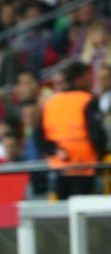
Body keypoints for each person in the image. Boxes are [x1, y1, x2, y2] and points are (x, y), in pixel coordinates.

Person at [37, 62, 107, 199]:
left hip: (60, 166)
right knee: (86, 212)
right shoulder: (87, 100)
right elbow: (97, 134)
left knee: (63, 213)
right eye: (88, 77)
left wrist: (55, 151)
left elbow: (39, 136)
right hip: (85, 167)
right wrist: (102, 154)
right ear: (79, 79)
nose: (91, 81)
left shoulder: (51, 102)